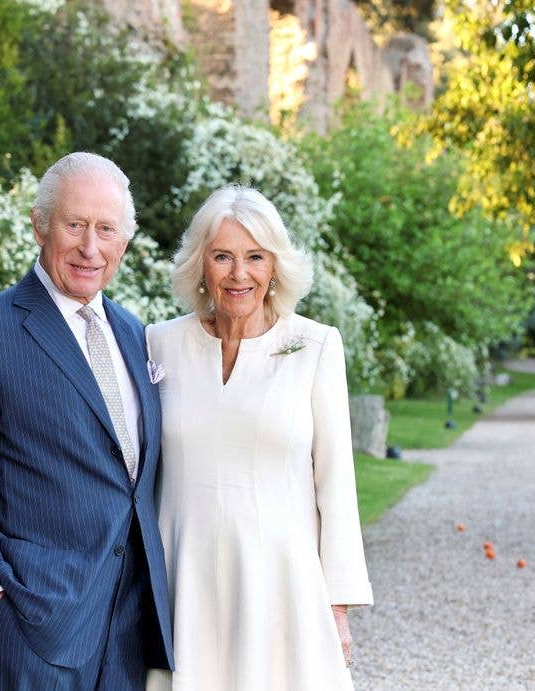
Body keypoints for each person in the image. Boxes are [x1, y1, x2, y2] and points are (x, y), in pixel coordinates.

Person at [0, 152, 174, 690]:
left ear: (124, 241)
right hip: (30, 628)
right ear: (40, 225)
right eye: (74, 224)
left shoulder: (136, 336)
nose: (90, 246)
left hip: (127, 631)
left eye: (106, 228)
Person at [144, 184, 373, 690]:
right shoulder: (158, 343)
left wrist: (337, 607)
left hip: (282, 587)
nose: (238, 273)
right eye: (222, 256)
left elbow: (335, 482)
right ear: (200, 265)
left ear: (275, 266)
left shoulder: (315, 346)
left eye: (254, 257)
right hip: (185, 581)